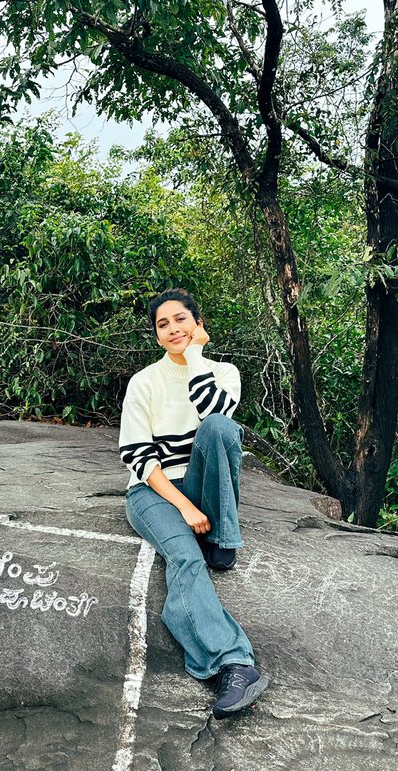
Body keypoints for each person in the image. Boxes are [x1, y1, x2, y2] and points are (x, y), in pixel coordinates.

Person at [119, 287, 269, 718]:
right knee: (185, 561)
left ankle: (223, 534)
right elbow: (136, 455)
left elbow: (213, 415)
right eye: (163, 324)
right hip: (154, 492)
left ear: (198, 324)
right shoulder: (143, 382)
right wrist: (183, 508)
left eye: (181, 319)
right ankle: (234, 665)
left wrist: (196, 359)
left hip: (202, 482)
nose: (173, 329)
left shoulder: (223, 371)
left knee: (222, 428)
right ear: (156, 336)